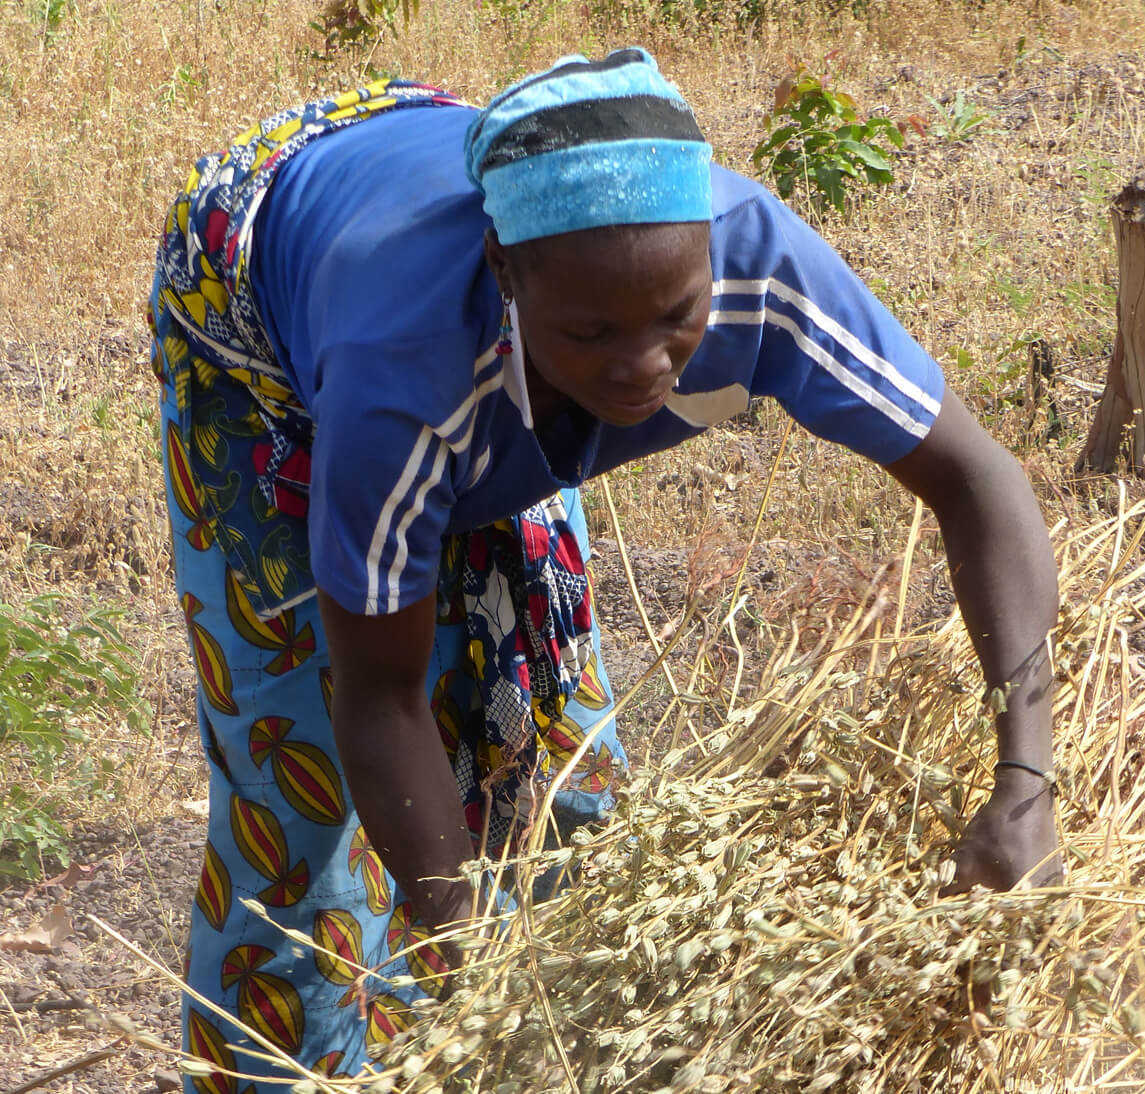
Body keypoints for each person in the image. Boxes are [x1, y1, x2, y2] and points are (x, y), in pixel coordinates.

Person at [149, 48, 1061, 1090]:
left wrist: (1024, 785)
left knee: (555, 764)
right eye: (594, 333)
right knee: (304, 820)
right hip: (261, 326)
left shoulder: (753, 264)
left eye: (678, 317)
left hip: (472, 285)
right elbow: (378, 694)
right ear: (507, 276)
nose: (644, 367)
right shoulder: (405, 376)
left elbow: (980, 482)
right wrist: (487, 982)